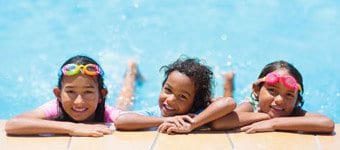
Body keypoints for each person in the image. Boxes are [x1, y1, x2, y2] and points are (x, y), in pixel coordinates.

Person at [5, 55, 136, 137]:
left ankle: (131, 72)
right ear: (58, 94)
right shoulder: (55, 108)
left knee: (124, 103)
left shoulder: (107, 112)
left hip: (108, 109)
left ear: (102, 95)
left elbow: (129, 120)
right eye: (71, 92)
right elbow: (12, 124)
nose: (79, 101)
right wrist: (73, 127)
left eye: (88, 92)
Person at [115, 57, 236, 134]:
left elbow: (229, 102)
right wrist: (165, 120)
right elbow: (120, 120)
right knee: (123, 105)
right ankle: (131, 72)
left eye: (183, 96)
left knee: (219, 100)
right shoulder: (156, 113)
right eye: (167, 90)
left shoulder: (195, 115)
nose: (171, 100)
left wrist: (193, 123)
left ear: (194, 103)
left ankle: (228, 85)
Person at [211, 60, 335, 134]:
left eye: (289, 94)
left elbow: (327, 123)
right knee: (228, 102)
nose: (280, 100)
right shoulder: (251, 106)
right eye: (272, 90)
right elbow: (220, 122)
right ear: (257, 90)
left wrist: (275, 123)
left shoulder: (295, 113)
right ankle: (228, 86)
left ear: (297, 101)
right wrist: (265, 116)